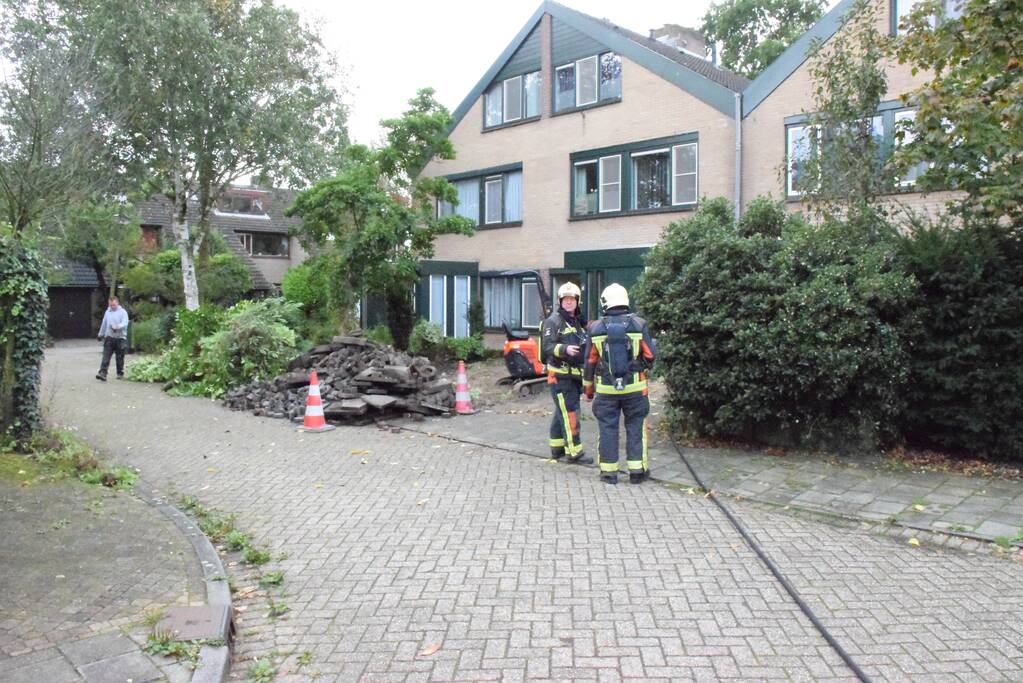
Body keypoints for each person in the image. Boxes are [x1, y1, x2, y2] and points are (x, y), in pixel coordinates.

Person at [583, 283, 656, 485]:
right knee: (636, 427)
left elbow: (589, 362)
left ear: (605, 302)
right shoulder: (639, 324)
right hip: (635, 390)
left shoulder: (595, 328)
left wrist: (588, 391)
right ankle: (637, 472)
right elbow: (650, 356)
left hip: (606, 391)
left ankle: (608, 473)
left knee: (607, 428)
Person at [540, 282, 592, 464]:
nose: (569, 303)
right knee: (570, 412)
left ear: (578, 301)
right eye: (565, 299)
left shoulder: (578, 320)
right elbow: (547, 347)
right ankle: (574, 452)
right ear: (560, 301)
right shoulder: (553, 321)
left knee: (561, 412)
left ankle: (557, 448)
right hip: (560, 376)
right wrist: (565, 349)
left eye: (572, 299)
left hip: (574, 375)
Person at [96, 297, 129, 381]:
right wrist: (101, 334)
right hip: (109, 337)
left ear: (117, 303)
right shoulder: (107, 312)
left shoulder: (123, 312)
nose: (112, 307)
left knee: (120, 357)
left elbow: (125, 323)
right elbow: (104, 323)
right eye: (111, 305)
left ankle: (120, 373)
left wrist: (118, 327)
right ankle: (102, 373)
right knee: (106, 356)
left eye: (114, 305)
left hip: (120, 337)